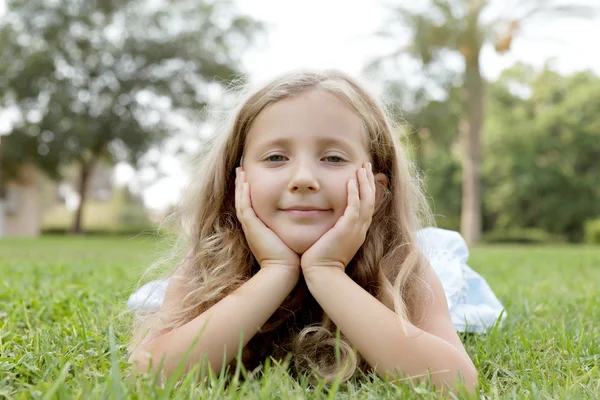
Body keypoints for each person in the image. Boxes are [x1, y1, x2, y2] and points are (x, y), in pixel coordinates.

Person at [128, 69, 498, 393]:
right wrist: (276, 270)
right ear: (236, 182)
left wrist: (326, 272)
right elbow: (150, 372)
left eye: (333, 158)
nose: (303, 179)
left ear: (377, 188)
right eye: (276, 158)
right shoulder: (208, 264)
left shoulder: (403, 265)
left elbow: (455, 383)